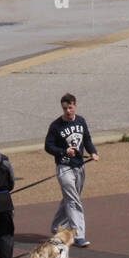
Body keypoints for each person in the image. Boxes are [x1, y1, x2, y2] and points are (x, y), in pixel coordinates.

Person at [44, 93, 98, 248]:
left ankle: (56, 226)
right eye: (65, 108)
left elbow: (87, 139)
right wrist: (63, 151)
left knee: (71, 199)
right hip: (64, 167)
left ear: (75, 105)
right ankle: (78, 235)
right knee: (74, 201)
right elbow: (48, 146)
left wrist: (93, 152)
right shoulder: (56, 126)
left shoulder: (81, 121)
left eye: (70, 107)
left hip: (79, 166)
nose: (68, 111)